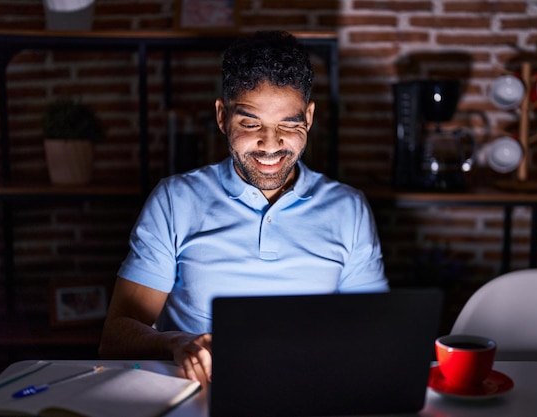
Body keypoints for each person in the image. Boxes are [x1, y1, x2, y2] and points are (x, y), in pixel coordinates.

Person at [99, 30, 388, 386]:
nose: (271, 144)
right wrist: (178, 343)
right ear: (222, 117)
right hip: (200, 392)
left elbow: (375, 332)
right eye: (251, 123)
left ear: (309, 118)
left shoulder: (349, 209)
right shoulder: (175, 200)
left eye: (289, 124)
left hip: (308, 390)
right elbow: (115, 336)